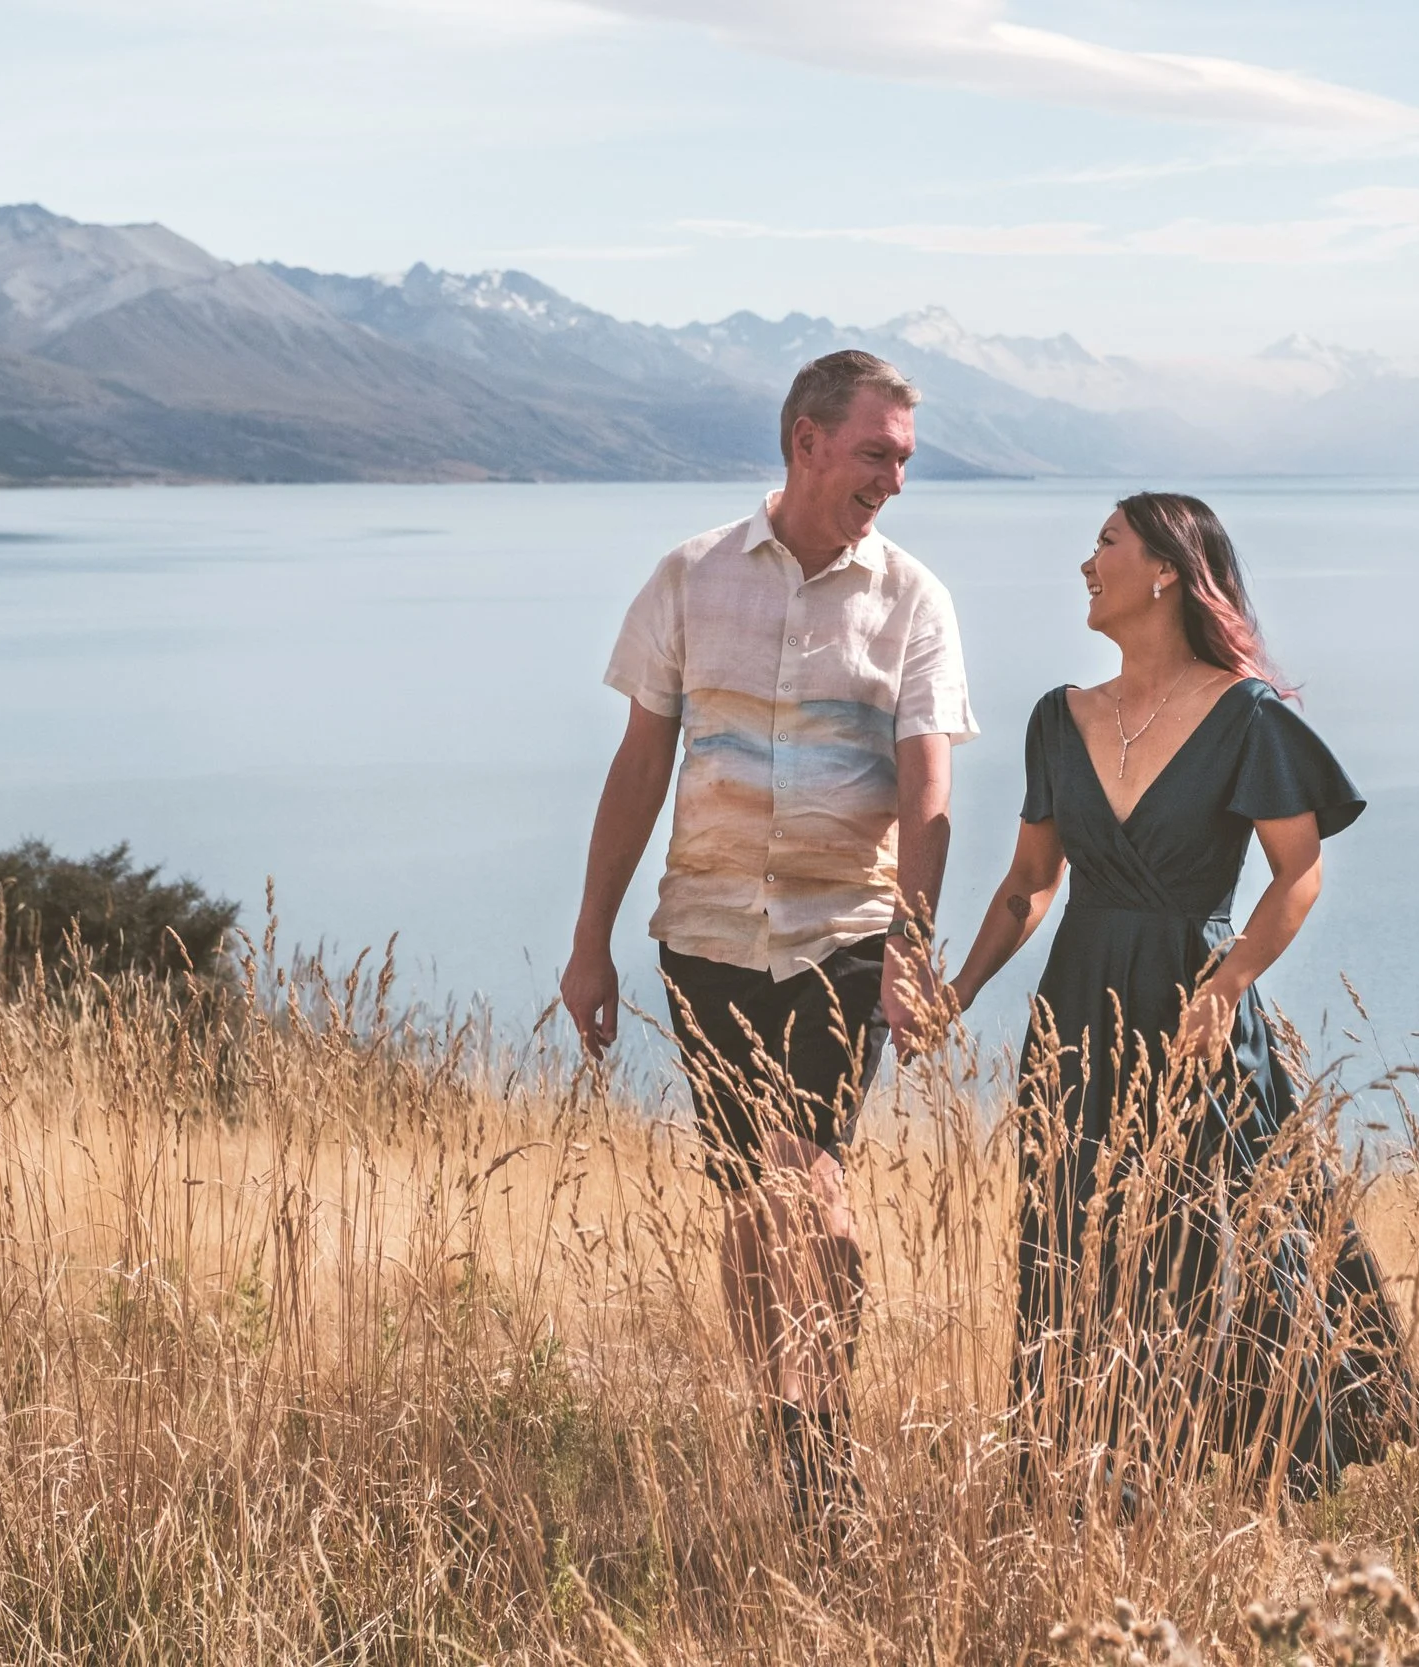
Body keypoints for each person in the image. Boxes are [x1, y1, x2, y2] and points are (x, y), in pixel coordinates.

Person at [560, 350, 974, 1535]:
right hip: (703, 936)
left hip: (843, 935)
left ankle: (822, 1419)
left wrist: (913, 945)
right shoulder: (689, 577)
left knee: (810, 1179)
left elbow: (926, 786)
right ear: (805, 442)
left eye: (902, 456)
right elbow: (640, 768)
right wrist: (590, 942)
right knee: (751, 1194)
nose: (893, 478)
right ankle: (780, 1420)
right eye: (876, 452)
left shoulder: (912, 599)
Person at [936, 491, 1415, 1504]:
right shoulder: (1058, 718)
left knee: (1220, 1232)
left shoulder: (1248, 716)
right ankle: (1087, 1466)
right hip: (1076, 1012)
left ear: (1164, 570)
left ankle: (1278, 1446)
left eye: (1103, 542)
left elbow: (1297, 873)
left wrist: (1233, 975)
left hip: (1194, 1013)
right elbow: (1028, 884)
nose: (1084, 562)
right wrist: (958, 988)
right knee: (1072, 1233)